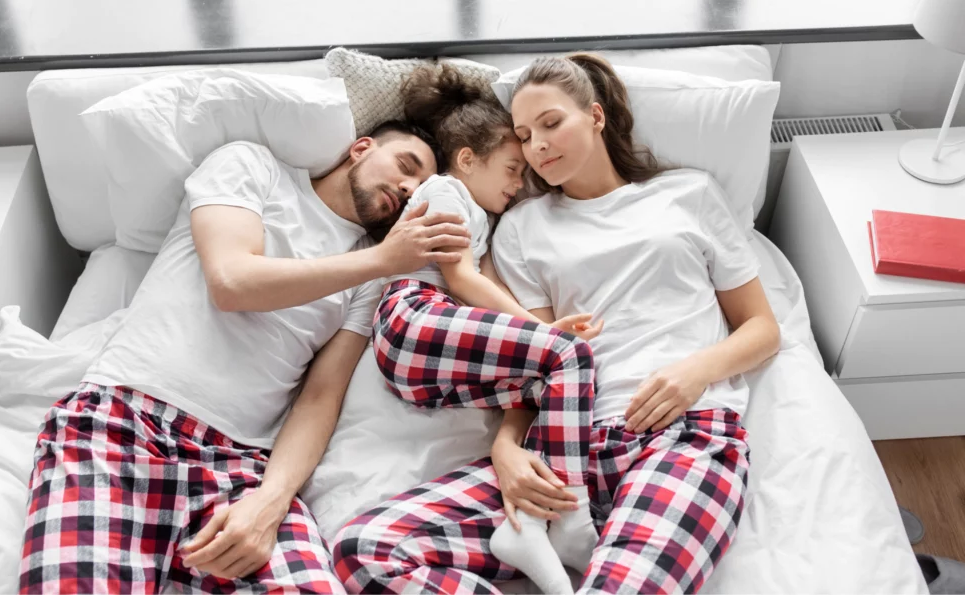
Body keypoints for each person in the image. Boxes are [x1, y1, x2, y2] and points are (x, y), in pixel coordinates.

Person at [334, 54, 781, 595]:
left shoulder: (689, 194)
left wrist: (692, 373)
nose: (537, 146)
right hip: (563, 451)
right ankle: (563, 530)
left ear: (595, 115)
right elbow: (535, 360)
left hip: (682, 438)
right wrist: (506, 448)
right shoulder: (520, 227)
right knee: (368, 551)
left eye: (551, 123)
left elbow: (761, 328)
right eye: (523, 136)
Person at [18, 121, 473, 594]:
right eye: (405, 167)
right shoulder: (253, 166)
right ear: (360, 148)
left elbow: (320, 398)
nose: (408, 188)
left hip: (239, 467)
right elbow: (231, 282)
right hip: (122, 424)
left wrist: (270, 503)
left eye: (419, 188)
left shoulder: (369, 275)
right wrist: (384, 260)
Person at [371, 64, 603, 593]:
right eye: (512, 168)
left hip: (424, 362)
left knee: (551, 381)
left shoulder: (488, 225)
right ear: (468, 160)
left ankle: (525, 524)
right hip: (414, 316)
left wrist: (540, 340)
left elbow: (487, 293)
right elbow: (459, 276)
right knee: (571, 358)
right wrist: (543, 336)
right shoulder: (445, 190)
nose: (520, 185)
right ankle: (569, 516)